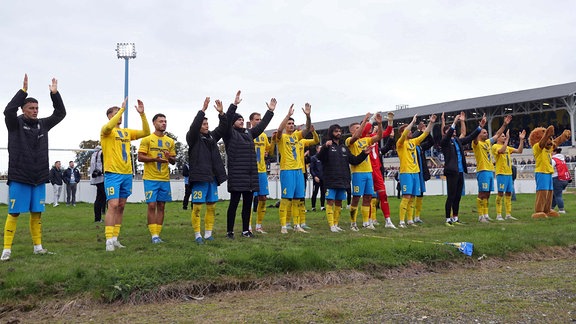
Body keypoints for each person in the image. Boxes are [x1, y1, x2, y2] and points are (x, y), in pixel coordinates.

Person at [2, 74, 66, 261]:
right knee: (14, 212)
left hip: (38, 177)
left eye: (37, 108)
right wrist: (23, 92)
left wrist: (54, 94)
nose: (35, 111)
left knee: (37, 213)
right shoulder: (14, 124)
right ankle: (7, 249)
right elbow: (8, 111)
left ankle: (38, 247)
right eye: (31, 108)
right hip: (19, 176)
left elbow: (60, 113)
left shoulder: (43, 124)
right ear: (23, 109)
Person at [222, 91, 275, 239]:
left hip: (250, 175)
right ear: (233, 122)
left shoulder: (248, 133)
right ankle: (229, 232)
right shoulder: (229, 133)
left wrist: (270, 111)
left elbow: (262, 125)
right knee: (233, 204)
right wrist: (234, 105)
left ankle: (246, 230)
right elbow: (225, 121)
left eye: (242, 119)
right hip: (237, 175)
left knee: (247, 205)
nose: (241, 121)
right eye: (238, 119)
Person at [101, 99, 150, 251]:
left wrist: (142, 115)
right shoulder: (106, 131)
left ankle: (115, 238)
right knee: (113, 204)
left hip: (126, 174)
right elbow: (109, 125)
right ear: (110, 116)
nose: (120, 116)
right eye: (116, 114)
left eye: (120, 113)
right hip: (113, 173)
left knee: (121, 206)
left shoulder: (126, 132)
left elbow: (146, 132)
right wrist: (121, 110)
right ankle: (108, 240)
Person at [186, 97, 227, 244]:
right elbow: (194, 125)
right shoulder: (193, 138)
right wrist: (202, 110)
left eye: (207, 123)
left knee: (212, 206)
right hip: (199, 178)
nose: (206, 125)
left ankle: (208, 234)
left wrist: (222, 114)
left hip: (212, 178)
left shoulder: (211, 137)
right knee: (197, 207)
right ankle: (197, 235)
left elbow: (223, 127)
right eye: (204, 124)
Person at [316, 124, 369, 232]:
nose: (339, 133)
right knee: (330, 202)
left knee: (339, 203)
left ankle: (336, 224)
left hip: (343, 180)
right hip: (330, 179)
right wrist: (325, 147)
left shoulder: (344, 148)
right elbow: (319, 157)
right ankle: (331, 226)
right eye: (336, 131)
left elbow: (354, 160)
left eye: (340, 131)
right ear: (331, 133)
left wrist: (364, 154)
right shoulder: (327, 146)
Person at [138, 113, 176, 243]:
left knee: (161, 206)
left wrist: (169, 157)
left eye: (165, 121)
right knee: (151, 205)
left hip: (164, 178)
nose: (164, 123)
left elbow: (173, 161)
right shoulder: (147, 139)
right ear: (154, 123)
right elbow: (140, 157)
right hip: (150, 178)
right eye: (161, 121)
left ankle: (157, 235)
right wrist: (154, 159)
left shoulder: (170, 141)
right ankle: (153, 235)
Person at [440, 113, 484, 226]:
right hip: (451, 171)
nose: (454, 131)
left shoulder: (457, 141)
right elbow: (449, 133)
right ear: (445, 132)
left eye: (454, 129)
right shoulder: (444, 142)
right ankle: (447, 219)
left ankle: (455, 217)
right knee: (451, 196)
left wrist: (480, 127)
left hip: (460, 171)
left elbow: (469, 137)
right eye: (450, 130)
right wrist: (454, 122)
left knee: (458, 196)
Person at [274, 103, 312, 234]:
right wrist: (288, 115)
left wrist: (308, 115)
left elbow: (307, 129)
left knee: (297, 199)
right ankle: (284, 226)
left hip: (298, 171)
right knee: (286, 199)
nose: (291, 125)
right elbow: (278, 130)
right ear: (285, 125)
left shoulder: (297, 136)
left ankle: (297, 225)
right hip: (287, 170)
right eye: (288, 123)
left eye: (292, 123)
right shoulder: (281, 137)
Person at [396, 114, 436, 228]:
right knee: (406, 197)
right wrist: (412, 122)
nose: (410, 132)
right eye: (407, 131)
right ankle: (401, 221)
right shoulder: (400, 143)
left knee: (413, 197)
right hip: (406, 173)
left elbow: (425, 134)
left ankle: (410, 220)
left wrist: (431, 123)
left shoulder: (413, 142)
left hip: (415, 172)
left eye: (410, 130)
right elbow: (404, 134)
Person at [345, 113, 384, 231]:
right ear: (352, 131)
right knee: (356, 198)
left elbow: (379, 137)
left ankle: (366, 222)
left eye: (360, 126)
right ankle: (353, 223)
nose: (360, 129)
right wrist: (365, 121)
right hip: (358, 173)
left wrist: (380, 123)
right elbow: (356, 136)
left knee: (368, 197)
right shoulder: (349, 140)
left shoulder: (366, 140)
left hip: (368, 172)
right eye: (357, 128)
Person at [472, 114, 510, 223]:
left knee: (488, 193)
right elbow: (474, 138)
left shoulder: (488, 142)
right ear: (479, 134)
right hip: (482, 170)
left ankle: (486, 214)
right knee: (482, 193)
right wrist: (479, 126)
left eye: (486, 132)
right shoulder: (476, 143)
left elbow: (498, 134)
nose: (486, 134)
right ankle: (480, 216)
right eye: (484, 132)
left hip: (489, 170)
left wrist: (504, 124)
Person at [360, 112, 395, 228]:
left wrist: (389, 121)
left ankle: (388, 220)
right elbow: (364, 131)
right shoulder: (362, 137)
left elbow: (387, 133)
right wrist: (371, 120)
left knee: (383, 195)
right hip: (368, 170)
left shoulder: (373, 137)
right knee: (369, 197)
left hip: (377, 170)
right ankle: (368, 220)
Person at [250, 111, 276, 234]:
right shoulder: (247, 134)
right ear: (251, 121)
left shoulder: (264, 136)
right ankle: (248, 225)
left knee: (263, 198)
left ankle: (259, 225)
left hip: (262, 171)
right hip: (250, 171)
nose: (259, 122)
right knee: (249, 198)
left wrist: (274, 141)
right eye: (257, 119)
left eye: (260, 120)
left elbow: (269, 151)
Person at [491, 129, 525, 221]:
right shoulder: (495, 146)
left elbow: (519, 151)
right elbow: (501, 151)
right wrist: (507, 140)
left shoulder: (507, 147)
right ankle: (498, 215)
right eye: (502, 136)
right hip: (501, 173)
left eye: (504, 136)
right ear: (497, 138)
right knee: (500, 193)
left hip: (509, 173)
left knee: (509, 193)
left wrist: (521, 140)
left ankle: (508, 214)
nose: (505, 137)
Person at [551, 147, 571, 214]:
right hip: (565, 179)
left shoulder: (553, 160)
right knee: (554, 195)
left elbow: (549, 169)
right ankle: (551, 208)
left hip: (557, 179)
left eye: (551, 151)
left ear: (554, 152)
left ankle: (561, 210)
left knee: (558, 195)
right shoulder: (562, 159)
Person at [89, 147, 106, 222]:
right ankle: (101, 215)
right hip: (102, 177)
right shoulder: (102, 153)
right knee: (104, 197)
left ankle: (98, 217)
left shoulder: (94, 154)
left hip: (96, 178)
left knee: (99, 198)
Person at [309, 145, 325, 212]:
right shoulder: (313, 158)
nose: (321, 150)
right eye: (320, 148)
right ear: (317, 149)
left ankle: (322, 206)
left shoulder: (324, 158)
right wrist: (315, 176)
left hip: (323, 178)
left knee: (323, 192)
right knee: (315, 192)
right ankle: (313, 207)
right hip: (316, 178)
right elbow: (311, 169)